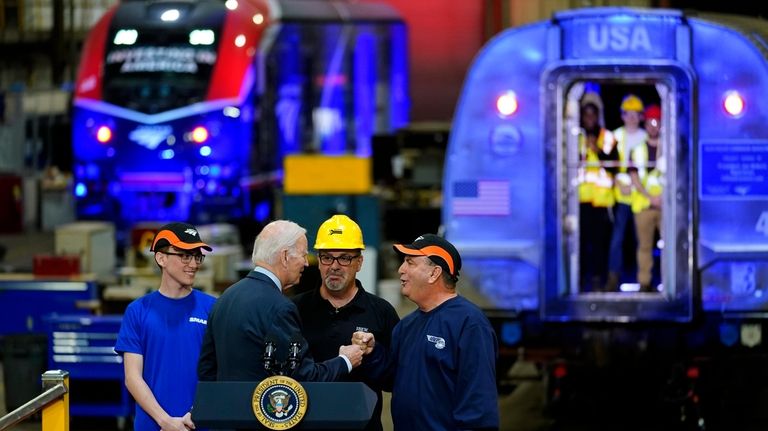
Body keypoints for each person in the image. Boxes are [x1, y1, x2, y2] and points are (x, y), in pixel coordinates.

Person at [354, 234, 499, 431]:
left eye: (410, 263)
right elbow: (394, 381)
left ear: (434, 273)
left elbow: (478, 403)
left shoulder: (469, 323)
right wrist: (373, 354)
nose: (400, 270)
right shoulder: (406, 326)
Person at [197, 219, 365, 383]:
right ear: (285, 257)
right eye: (303, 255)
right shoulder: (279, 307)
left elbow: (206, 372)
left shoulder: (225, 298)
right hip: (259, 410)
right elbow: (304, 377)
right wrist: (345, 361)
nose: (306, 263)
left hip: (225, 409)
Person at [291, 214, 400, 431]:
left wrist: (373, 353)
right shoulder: (295, 310)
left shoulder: (381, 312)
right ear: (318, 261)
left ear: (359, 262)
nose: (335, 266)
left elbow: (394, 381)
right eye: (327, 257)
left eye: (344, 258)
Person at [115, 222, 216, 431]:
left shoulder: (212, 308)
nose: (194, 264)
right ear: (161, 258)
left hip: (199, 423)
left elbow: (221, 370)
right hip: (153, 425)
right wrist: (165, 421)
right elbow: (132, 377)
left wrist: (197, 413)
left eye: (197, 256)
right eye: (185, 256)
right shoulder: (138, 311)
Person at [605, 94, 648, 291]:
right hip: (621, 196)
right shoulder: (614, 136)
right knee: (617, 240)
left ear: (641, 117)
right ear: (622, 116)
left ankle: (644, 280)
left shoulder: (647, 137)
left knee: (643, 241)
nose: (631, 118)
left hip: (642, 198)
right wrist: (616, 183)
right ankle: (613, 277)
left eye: (635, 114)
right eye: (627, 114)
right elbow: (606, 166)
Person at [577, 98, 616, 292]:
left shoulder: (607, 137)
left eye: (593, 115)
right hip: (581, 200)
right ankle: (581, 279)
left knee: (601, 245)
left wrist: (597, 151)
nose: (590, 118)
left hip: (602, 201)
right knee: (581, 244)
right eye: (586, 114)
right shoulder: (574, 136)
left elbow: (614, 163)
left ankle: (599, 279)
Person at [629, 104, 664, 292]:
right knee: (644, 247)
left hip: (667, 207)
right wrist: (650, 198)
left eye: (656, 121)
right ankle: (644, 282)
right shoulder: (637, 150)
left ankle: (671, 280)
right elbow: (634, 177)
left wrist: (663, 198)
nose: (653, 126)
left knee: (670, 247)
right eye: (650, 122)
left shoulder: (670, 149)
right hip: (644, 206)